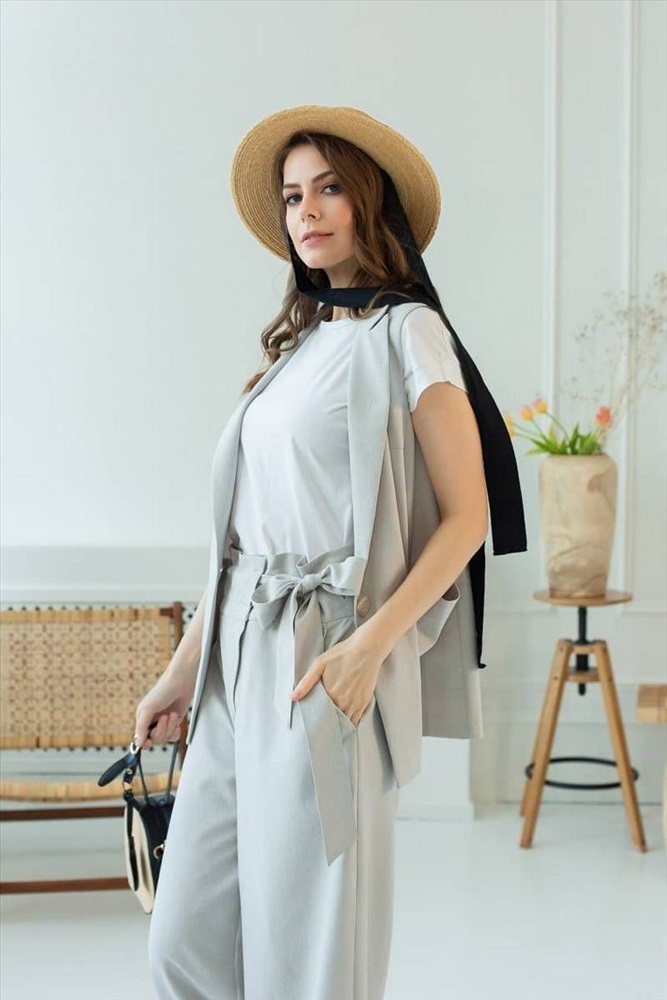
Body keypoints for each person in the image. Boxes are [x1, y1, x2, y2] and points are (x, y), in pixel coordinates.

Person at [135, 106, 526, 1000]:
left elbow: (466, 516)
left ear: (370, 204)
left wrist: (368, 648)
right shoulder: (302, 342)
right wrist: (182, 672)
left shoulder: (407, 334)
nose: (306, 211)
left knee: (311, 952)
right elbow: (243, 541)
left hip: (327, 653)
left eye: (329, 188)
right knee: (185, 944)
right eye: (291, 196)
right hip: (235, 658)